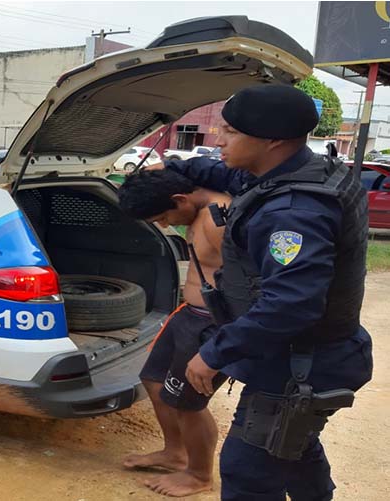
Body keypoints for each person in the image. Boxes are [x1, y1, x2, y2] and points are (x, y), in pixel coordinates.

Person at [156, 84, 373, 500]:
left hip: (300, 364)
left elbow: (291, 305)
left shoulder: (294, 213)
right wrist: (175, 164)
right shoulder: (301, 171)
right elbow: (230, 175)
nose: (218, 139)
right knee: (293, 446)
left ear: (273, 140)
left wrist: (214, 353)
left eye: (230, 132)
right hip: (313, 353)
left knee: (248, 473)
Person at [117, 170, 231, 497]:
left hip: (212, 323)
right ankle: (175, 453)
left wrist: (221, 344)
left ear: (180, 200)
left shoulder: (219, 220)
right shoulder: (190, 201)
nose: (166, 225)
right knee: (154, 378)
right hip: (188, 314)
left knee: (189, 402)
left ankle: (199, 474)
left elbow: (253, 284)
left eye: (164, 218)